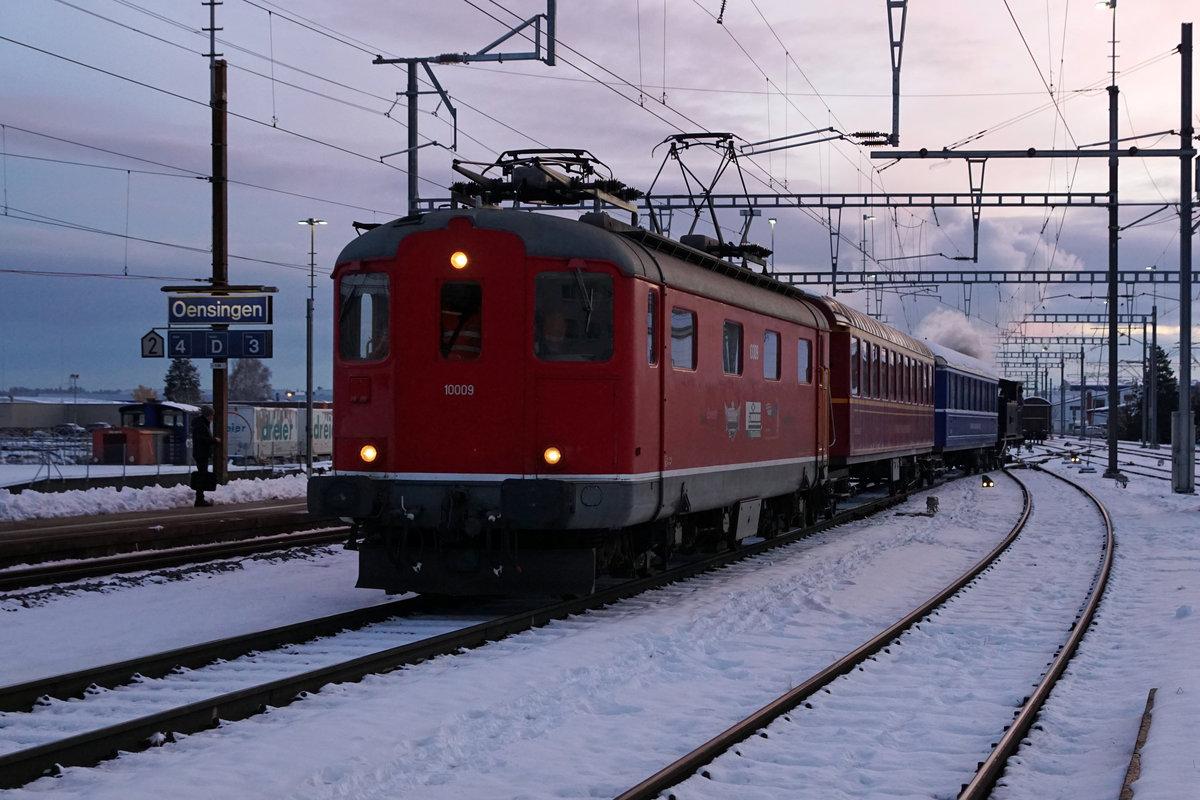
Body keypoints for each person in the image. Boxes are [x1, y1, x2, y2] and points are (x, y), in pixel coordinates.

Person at [191, 404, 220, 507]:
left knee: (202, 475)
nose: (212, 417)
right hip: (201, 453)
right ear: (207, 415)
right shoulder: (201, 425)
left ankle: (200, 498)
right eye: (211, 415)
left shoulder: (201, 423)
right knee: (202, 476)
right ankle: (199, 499)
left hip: (200, 453)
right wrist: (214, 440)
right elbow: (203, 439)